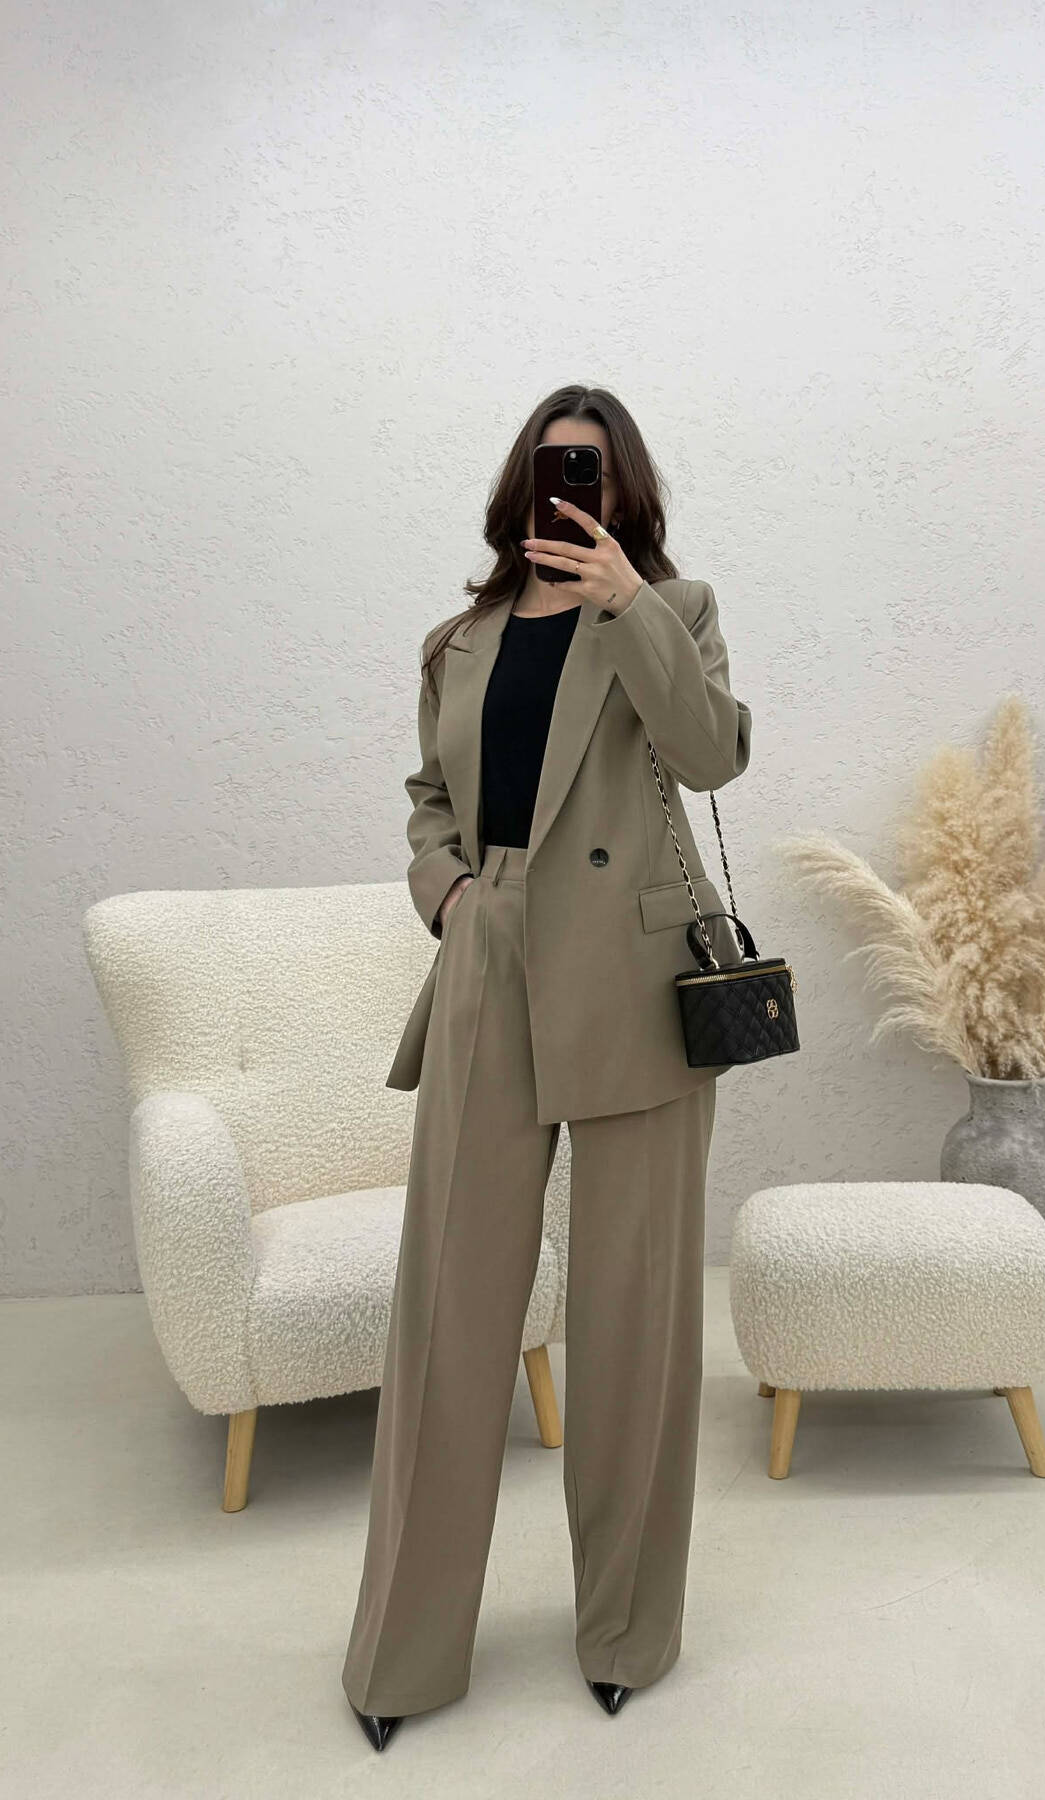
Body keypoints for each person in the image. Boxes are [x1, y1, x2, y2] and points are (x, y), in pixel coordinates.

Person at [341, 384, 752, 1749]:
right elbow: (431, 804)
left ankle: (626, 1632)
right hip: (492, 965)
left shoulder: (672, 610)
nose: (568, 486)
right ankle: (404, 1655)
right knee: (449, 1317)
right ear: (519, 482)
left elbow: (711, 756)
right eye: (550, 464)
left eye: (593, 469)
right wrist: (452, 896)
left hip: (634, 980)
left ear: (625, 492)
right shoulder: (456, 643)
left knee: (635, 1321)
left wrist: (628, 603)